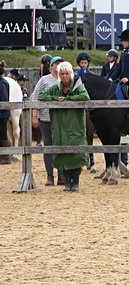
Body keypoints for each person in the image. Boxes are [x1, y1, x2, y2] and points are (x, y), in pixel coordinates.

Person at [36, 62, 89, 191]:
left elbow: (85, 97)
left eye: (66, 73)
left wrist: (68, 99)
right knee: (61, 154)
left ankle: (75, 182)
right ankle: (66, 182)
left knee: (76, 154)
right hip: (59, 126)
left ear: (70, 73)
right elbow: (41, 96)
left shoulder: (78, 86)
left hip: (74, 125)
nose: (64, 76)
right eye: (62, 74)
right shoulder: (55, 87)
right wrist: (55, 98)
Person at [32, 55, 61, 186]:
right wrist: (34, 116)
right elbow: (36, 97)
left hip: (60, 118)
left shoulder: (65, 79)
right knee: (48, 146)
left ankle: (61, 174)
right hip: (45, 118)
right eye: (56, 63)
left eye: (61, 63)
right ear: (51, 66)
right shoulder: (44, 80)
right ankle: (50, 175)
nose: (58, 65)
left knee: (60, 146)